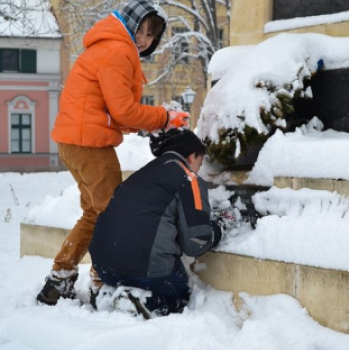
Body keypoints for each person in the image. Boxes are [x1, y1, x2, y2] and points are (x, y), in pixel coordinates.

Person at [37, 0, 190, 306]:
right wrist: (164, 118)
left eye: (152, 34)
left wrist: (151, 124)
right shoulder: (118, 51)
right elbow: (124, 110)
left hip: (74, 142)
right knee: (112, 214)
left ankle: (60, 278)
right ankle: (102, 282)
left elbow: (116, 112)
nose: (145, 39)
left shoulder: (109, 45)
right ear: (130, 24)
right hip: (90, 143)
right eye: (142, 30)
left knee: (96, 213)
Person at [89, 129, 222, 317]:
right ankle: (147, 303)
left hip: (104, 268)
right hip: (149, 274)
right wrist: (218, 229)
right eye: (200, 164)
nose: (199, 170)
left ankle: (109, 294)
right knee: (180, 293)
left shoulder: (141, 175)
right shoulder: (188, 178)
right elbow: (196, 243)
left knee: (130, 271)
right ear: (192, 156)